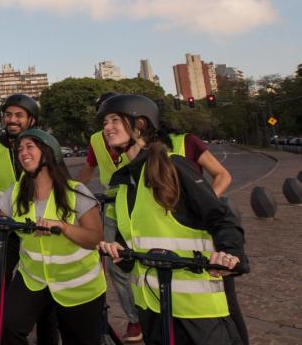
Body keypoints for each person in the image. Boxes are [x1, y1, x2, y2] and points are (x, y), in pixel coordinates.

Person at [76, 91, 239, 343]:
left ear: (140, 124)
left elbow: (220, 217)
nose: (106, 128)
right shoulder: (123, 182)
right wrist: (121, 253)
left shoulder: (173, 166)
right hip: (151, 307)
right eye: (104, 123)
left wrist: (229, 252)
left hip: (195, 310)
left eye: (114, 121)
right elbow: (132, 243)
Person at [0, 94, 59, 345]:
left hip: (39, 227)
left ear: (31, 120)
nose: (12, 120)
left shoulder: (43, 146)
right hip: (5, 227)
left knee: (44, 291)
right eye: (8, 115)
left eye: (19, 115)